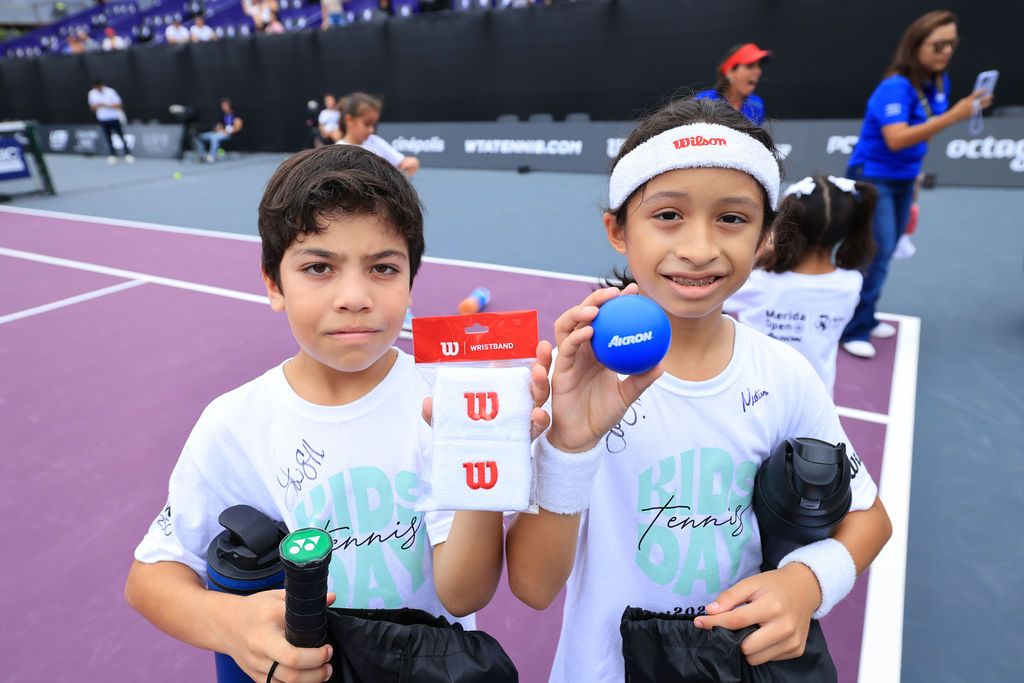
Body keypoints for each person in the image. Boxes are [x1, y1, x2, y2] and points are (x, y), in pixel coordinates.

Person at [124, 144, 549, 682]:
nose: (354, 296)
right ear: (273, 283)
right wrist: (230, 624)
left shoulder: (444, 401)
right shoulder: (234, 424)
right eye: (319, 267)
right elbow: (150, 577)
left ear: (411, 282)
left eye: (383, 268)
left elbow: (464, 593)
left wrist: (482, 457)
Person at [505, 98, 892, 682]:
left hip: (734, 665)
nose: (699, 248)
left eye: (732, 219)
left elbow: (870, 518)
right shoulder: (575, 376)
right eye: (668, 215)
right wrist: (571, 444)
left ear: (766, 237)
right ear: (617, 230)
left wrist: (805, 582)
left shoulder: (783, 375)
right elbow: (534, 587)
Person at [841, 10, 992, 359]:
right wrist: (954, 116)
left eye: (952, 44)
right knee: (875, 253)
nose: (946, 51)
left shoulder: (938, 83)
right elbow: (896, 139)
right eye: (938, 45)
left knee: (886, 250)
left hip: (904, 178)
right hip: (873, 176)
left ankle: (865, 315)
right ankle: (852, 328)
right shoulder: (894, 87)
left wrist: (916, 179)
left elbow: (921, 138)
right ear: (916, 46)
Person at [725, 175, 878, 395]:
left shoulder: (760, 281)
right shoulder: (851, 283)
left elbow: (716, 299)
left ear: (786, 225)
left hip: (758, 392)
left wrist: (756, 255)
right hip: (817, 391)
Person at [337, 92, 420, 176]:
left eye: (373, 125)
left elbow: (404, 162)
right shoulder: (339, 151)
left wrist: (410, 163)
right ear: (349, 120)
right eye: (366, 124)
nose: (371, 130)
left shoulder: (375, 141)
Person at [694, 43, 772, 126]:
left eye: (759, 66)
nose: (758, 71)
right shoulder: (703, 101)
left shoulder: (757, 105)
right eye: (750, 66)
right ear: (730, 72)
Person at [88, 80, 135, 164]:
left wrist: (105, 105)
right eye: (96, 87)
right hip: (102, 119)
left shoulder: (111, 91)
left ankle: (127, 153)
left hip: (114, 117)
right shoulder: (92, 93)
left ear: (101, 85)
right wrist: (97, 106)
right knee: (108, 137)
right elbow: (92, 107)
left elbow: (119, 105)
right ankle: (113, 154)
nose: (98, 89)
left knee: (121, 136)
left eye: (99, 87)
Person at [195, 98, 243, 163]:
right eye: (222, 106)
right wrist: (217, 128)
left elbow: (238, 128)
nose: (223, 107)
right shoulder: (223, 115)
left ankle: (212, 156)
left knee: (214, 137)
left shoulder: (236, 115)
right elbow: (219, 125)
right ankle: (202, 156)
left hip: (230, 134)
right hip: (221, 133)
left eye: (225, 105)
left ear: (230, 105)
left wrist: (227, 132)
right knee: (200, 137)